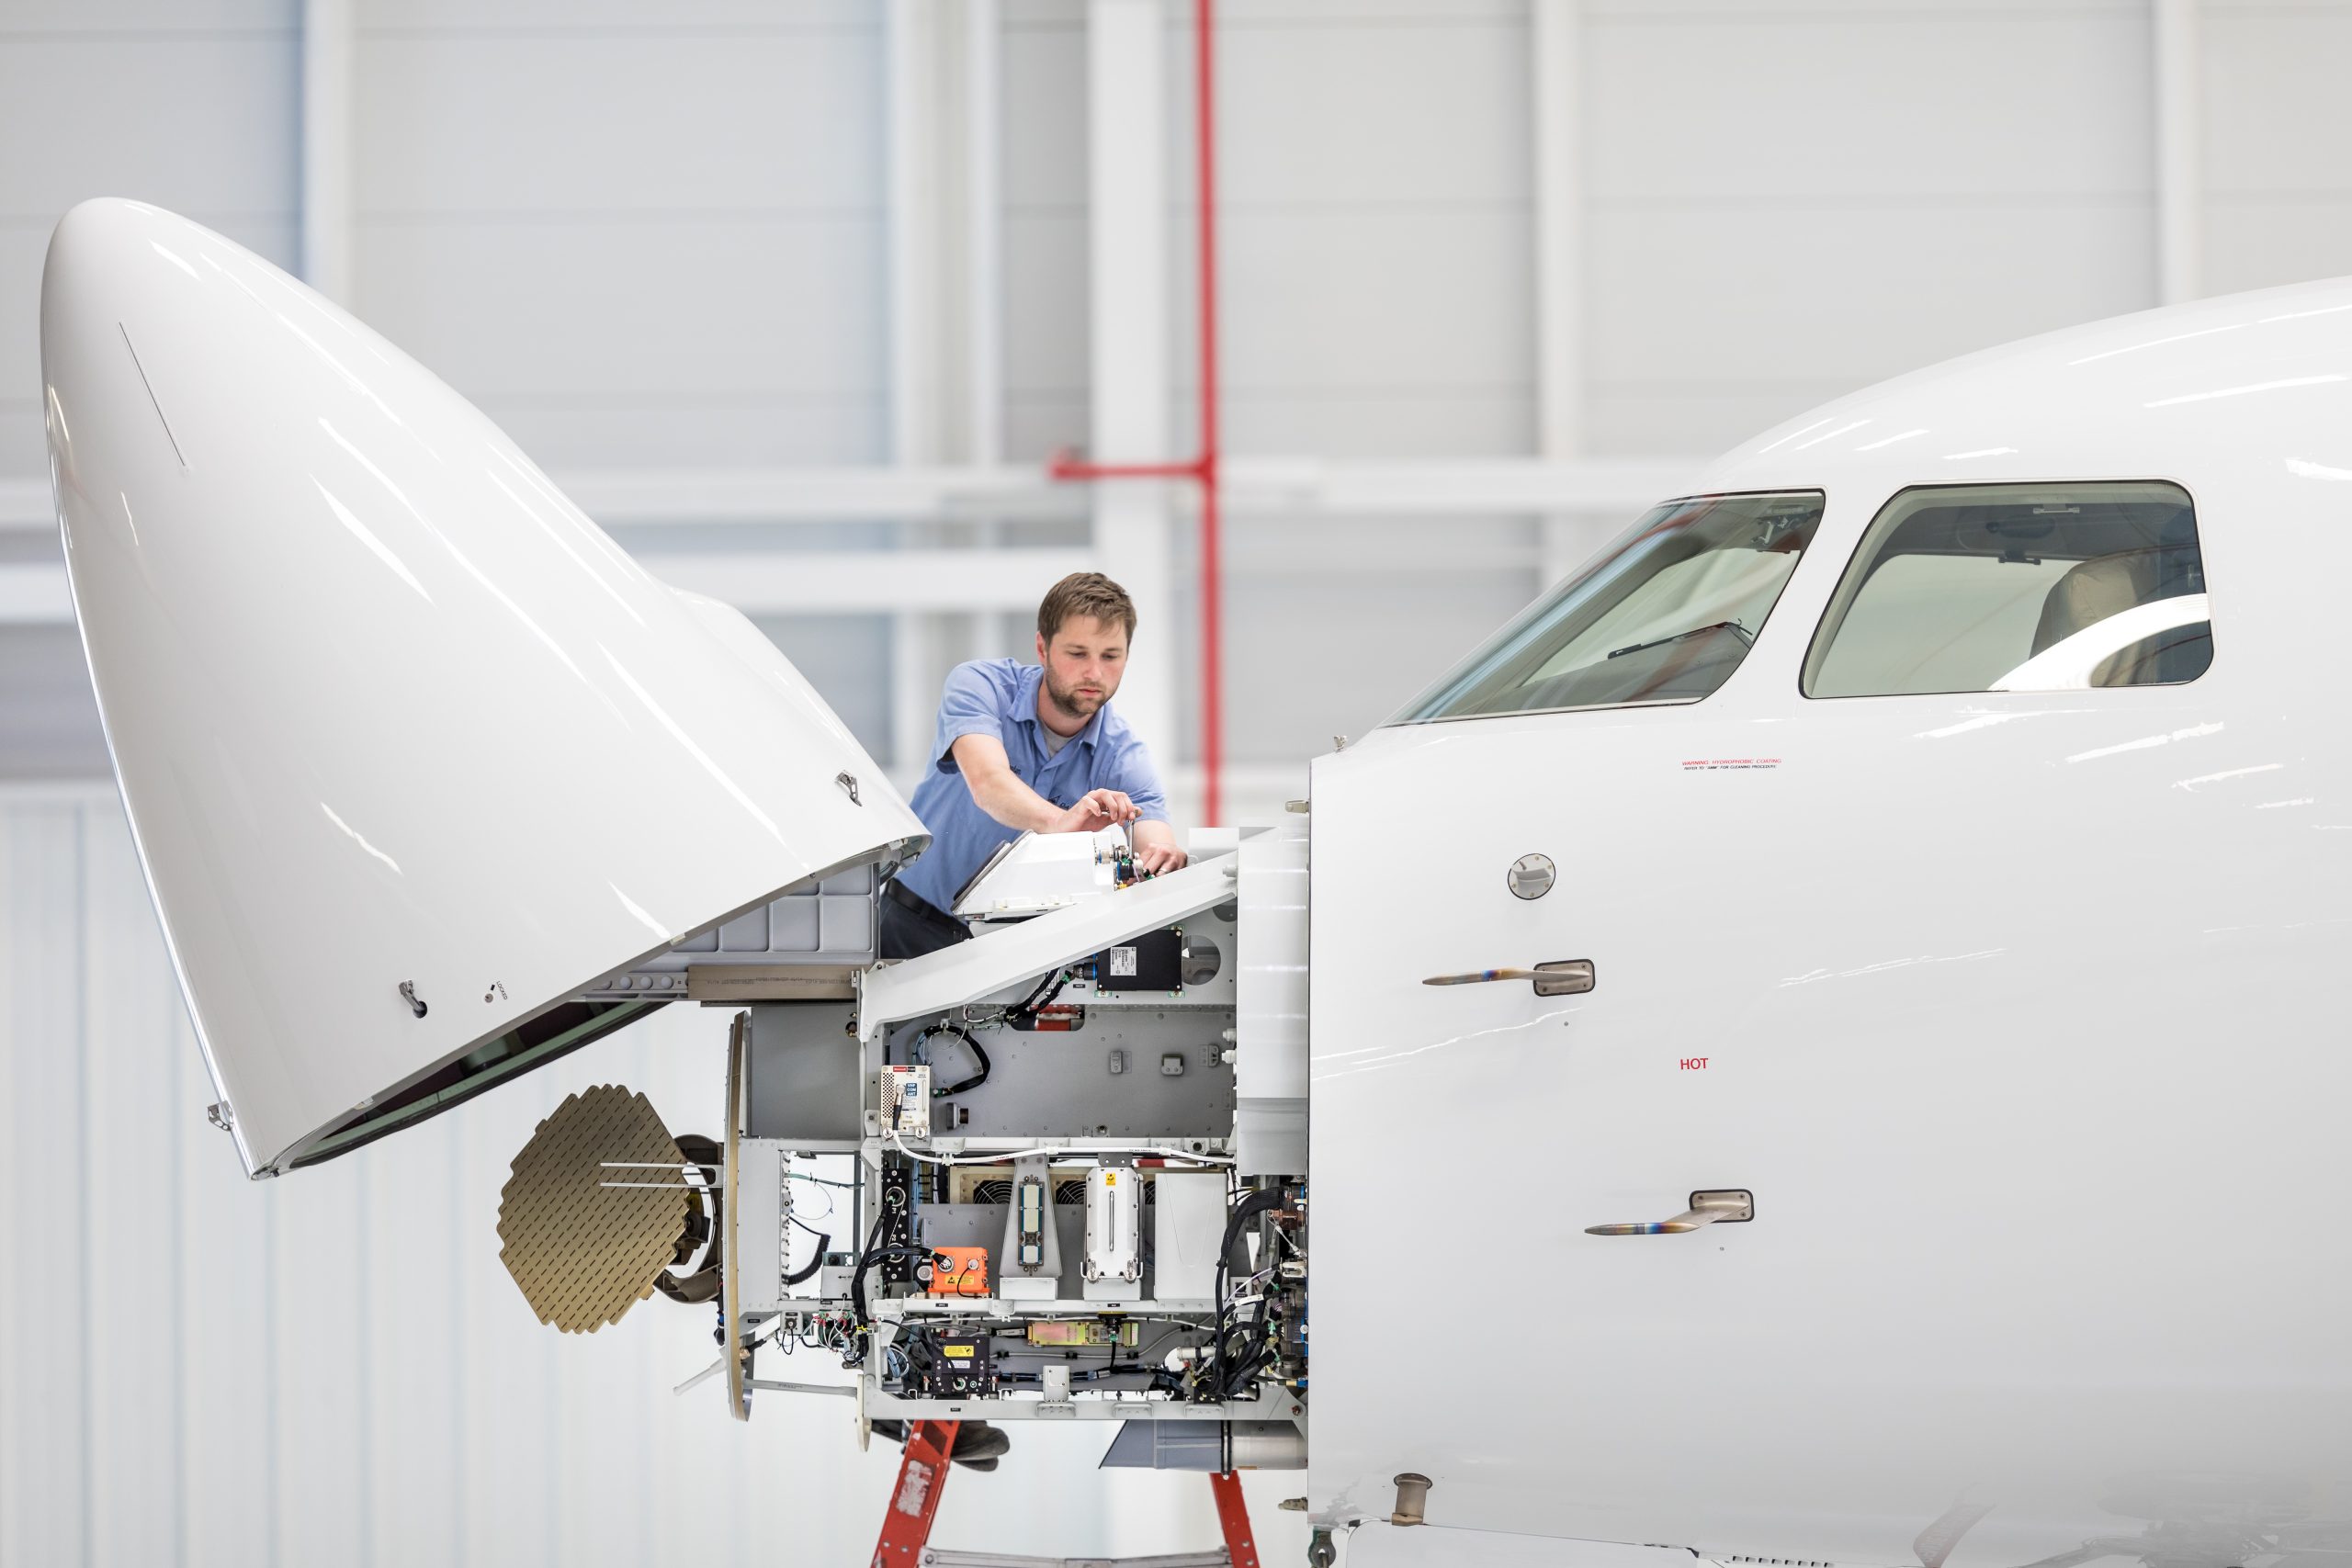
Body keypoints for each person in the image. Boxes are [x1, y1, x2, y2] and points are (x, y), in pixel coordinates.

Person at [880, 572, 1187, 960]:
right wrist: (1061, 822)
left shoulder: (1123, 755)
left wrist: (1166, 859)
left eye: (1110, 656)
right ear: (1042, 648)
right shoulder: (981, 686)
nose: (1094, 673)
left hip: (1016, 951)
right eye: (1077, 654)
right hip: (910, 925)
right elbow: (988, 782)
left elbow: (1155, 844)